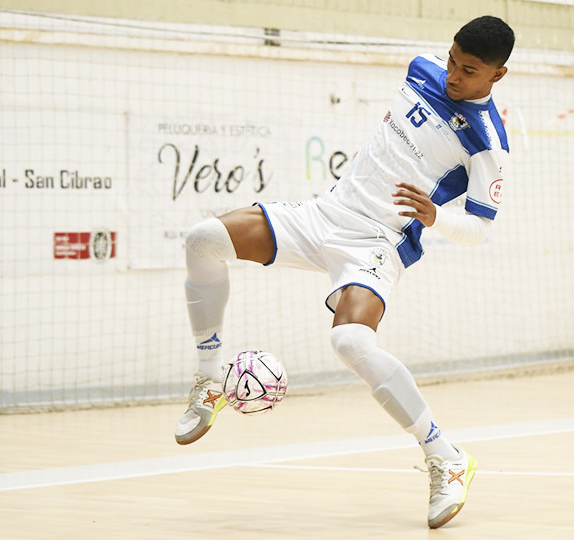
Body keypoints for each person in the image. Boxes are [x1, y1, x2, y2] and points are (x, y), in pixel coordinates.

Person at [175, 15, 515, 527]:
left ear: (498, 75)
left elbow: (479, 229)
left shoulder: (489, 144)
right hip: (325, 214)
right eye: (451, 61)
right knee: (203, 239)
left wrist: (435, 215)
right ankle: (208, 379)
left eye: (468, 70)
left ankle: (446, 457)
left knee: (352, 343)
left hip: (376, 245)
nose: (452, 76)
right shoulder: (420, 70)